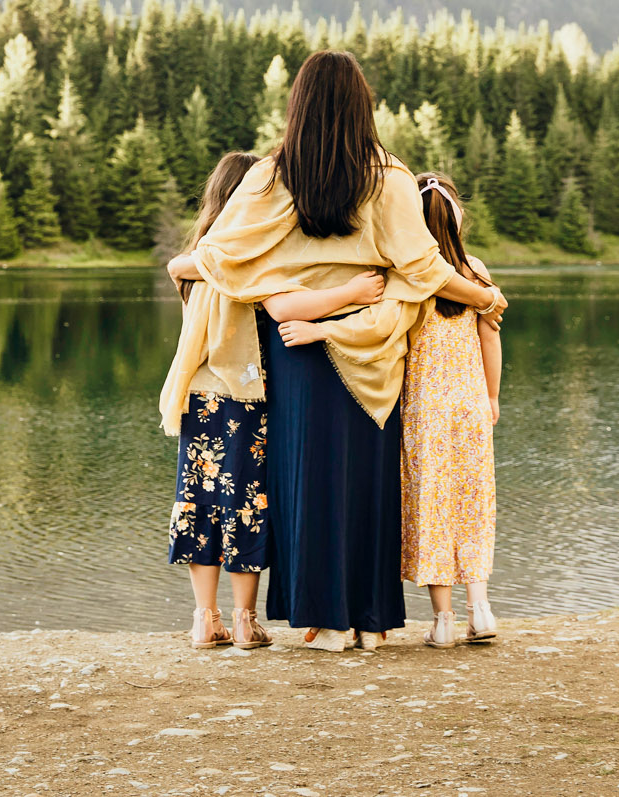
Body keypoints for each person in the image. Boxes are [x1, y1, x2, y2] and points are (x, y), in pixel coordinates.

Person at [168, 51, 507, 651]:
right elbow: (424, 268)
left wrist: (184, 272)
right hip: (375, 338)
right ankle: (371, 622)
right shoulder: (389, 176)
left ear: (297, 105)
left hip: (297, 344)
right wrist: (481, 295)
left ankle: (324, 622)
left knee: (307, 479)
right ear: (362, 105)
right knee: (368, 479)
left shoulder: (272, 175)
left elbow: (221, 253)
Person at [161, 151, 389, 649]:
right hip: (247, 397)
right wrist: (351, 291)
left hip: (200, 396)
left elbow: (178, 264)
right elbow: (285, 307)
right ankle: (244, 619)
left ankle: (205, 618)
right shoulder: (250, 266)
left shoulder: (197, 265)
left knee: (202, 503)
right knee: (246, 502)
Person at [385, 172, 502, 648]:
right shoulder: (475, 271)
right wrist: (492, 396)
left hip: (423, 410)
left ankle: (444, 620)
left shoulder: (411, 277)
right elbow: (491, 336)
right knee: (472, 500)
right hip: (471, 404)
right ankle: (481, 607)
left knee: (430, 505)